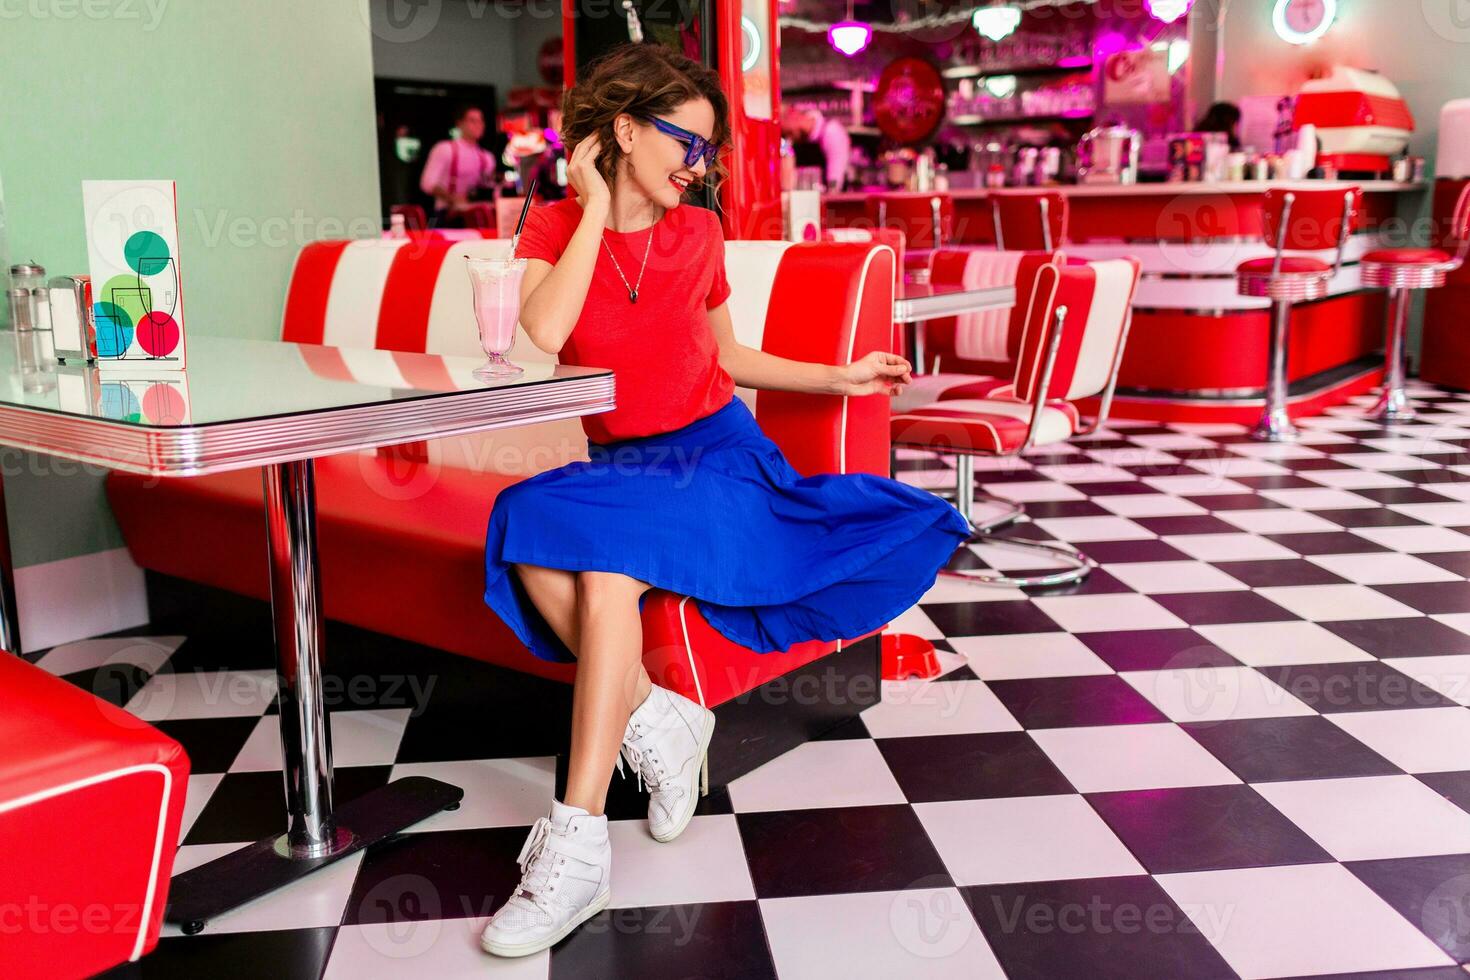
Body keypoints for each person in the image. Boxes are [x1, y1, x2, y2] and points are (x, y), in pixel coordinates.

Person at [478, 43, 970, 958]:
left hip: (716, 459)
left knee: (603, 570)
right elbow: (543, 332)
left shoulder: (699, 235)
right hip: (624, 469)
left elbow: (727, 358)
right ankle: (660, 718)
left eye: (707, 150)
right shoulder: (548, 225)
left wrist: (842, 373)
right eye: (682, 141)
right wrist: (590, 209)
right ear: (623, 131)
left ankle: (576, 845)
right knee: (522, 522)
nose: (697, 166)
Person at [419, 104, 498, 226]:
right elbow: (427, 183)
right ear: (460, 124)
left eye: (480, 120)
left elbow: (490, 186)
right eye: (472, 120)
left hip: (479, 215)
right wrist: (453, 199)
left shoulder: (487, 157)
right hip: (448, 215)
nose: (478, 125)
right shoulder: (445, 149)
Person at [781, 105, 851, 191]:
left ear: (792, 115)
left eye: (788, 132)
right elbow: (786, 180)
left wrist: (832, 192)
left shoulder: (831, 131)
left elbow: (835, 179)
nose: (787, 136)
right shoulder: (790, 141)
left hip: (829, 198)